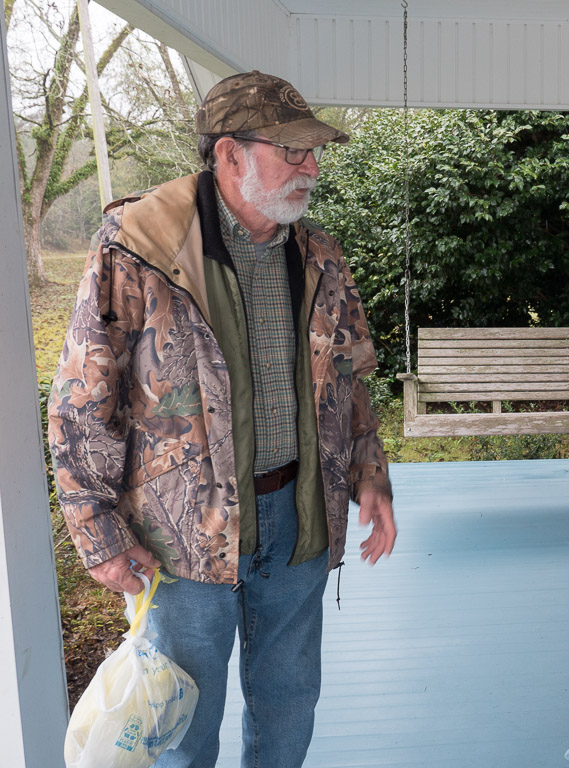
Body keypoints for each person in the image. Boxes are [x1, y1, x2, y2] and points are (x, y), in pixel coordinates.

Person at [48, 70, 396, 767]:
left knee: (288, 706)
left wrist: (370, 474)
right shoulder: (137, 245)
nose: (311, 166)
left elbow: (349, 375)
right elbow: (83, 399)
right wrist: (99, 534)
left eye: (313, 152)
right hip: (179, 534)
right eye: (293, 151)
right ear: (231, 154)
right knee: (184, 726)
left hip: (297, 516)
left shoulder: (319, 253)